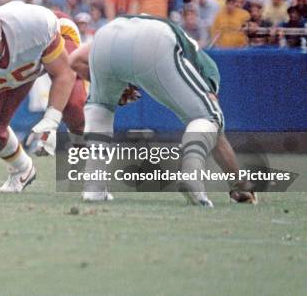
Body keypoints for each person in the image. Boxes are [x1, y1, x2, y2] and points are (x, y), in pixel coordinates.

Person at [68, 14, 255, 206]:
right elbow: (217, 136)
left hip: (106, 35)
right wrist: (240, 184)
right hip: (153, 40)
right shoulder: (208, 67)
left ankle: (94, 189)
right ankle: (193, 176)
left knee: (100, 106)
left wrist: (118, 88)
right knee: (209, 117)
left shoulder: (128, 28)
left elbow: (74, 61)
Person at [0, 1, 86, 193]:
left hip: (51, 47)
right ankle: (23, 169)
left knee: (74, 107)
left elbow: (64, 74)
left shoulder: (32, 26)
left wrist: (51, 120)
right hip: (15, 71)